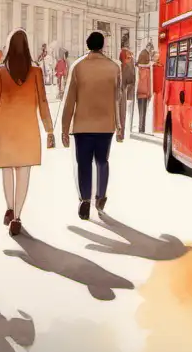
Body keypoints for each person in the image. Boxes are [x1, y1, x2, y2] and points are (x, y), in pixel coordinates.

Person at [0, 29, 54, 237]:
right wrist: (49, 128)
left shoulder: (1, 72)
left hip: (4, 128)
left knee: (7, 169)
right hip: (28, 129)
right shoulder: (35, 72)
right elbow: (42, 101)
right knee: (23, 172)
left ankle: (9, 207)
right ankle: (17, 217)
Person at [61, 31, 123, 219]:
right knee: (102, 161)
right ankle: (101, 196)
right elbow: (118, 99)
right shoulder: (114, 68)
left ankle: (85, 199)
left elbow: (70, 100)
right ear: (102, 45)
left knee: (84, 163)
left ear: (87, 45)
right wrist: (120, 126)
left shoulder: (78, 67)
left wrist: (64, 128)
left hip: (82, 125)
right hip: (106, 124)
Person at [136, 47, 152, 133]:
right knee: (144, 112)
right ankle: (142, 129)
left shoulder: (138, 69)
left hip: (138, 93)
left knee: (140, 112)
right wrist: (149, 94)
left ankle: (140, 128)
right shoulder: (148, 70)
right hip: (145, 93)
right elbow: (149, 83)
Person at [120, 47, 136, 130]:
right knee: (128, 110)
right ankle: (127, 128)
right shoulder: (129, 62)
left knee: (124, 111)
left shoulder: (122, 63)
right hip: (128, 89)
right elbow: (130, 77)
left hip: (124, 89)